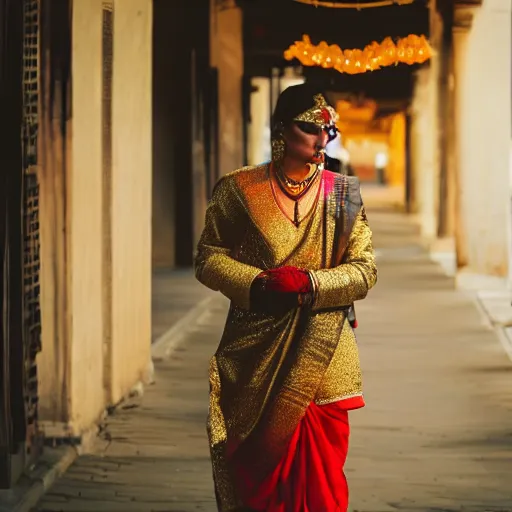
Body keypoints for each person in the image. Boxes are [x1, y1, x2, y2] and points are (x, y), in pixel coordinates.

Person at [194, 83, 377, 512]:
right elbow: (208, 258)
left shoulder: (341, 194)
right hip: (255, 355)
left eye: (327, 130)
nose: (321, 140)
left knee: (321, 484)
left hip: (323, 355)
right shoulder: (239, 189)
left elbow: (365, 270)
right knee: (257, 480)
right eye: (310, 128)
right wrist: (257, 283)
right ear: (281, 129)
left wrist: (312, 285)